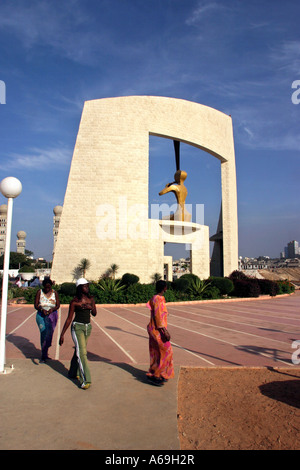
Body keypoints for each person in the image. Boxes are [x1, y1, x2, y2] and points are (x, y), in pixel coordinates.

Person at [59, 278, 97, 390]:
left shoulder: (91, 299)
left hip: (87, 328)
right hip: (77, 327)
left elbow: (94, 313)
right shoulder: (75, 301)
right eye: (84, 286)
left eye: (87, 286)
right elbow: (69, 318)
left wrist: (91, 307)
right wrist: (62, 334)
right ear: (79, 288)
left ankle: (72, 372)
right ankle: (86, 380)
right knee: (82, 353)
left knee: (79, 350)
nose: (87, 288)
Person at [146, 280, 174, 386]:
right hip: (157, 330)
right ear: (165, 288)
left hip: (154, 328)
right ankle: (157, 375)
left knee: (157, 352)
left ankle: (157, 373)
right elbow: (158, 316)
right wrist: (164, 331)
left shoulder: (155, 298)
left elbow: (150, 307)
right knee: (167, 351)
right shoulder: (158, 299)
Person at [34, 277, 60, 363]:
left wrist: (52, 310)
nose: (47, 289)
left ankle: (46, 352)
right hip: (41, 315)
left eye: (49, 287)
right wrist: (42, 309)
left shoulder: (54, 293)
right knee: (43, 332)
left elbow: (58, 305)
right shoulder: (39, 292)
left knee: (49, 334)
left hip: (52, 316)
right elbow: (36, 305)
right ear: (43, 286)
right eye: (46, 287)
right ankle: (43, 355)